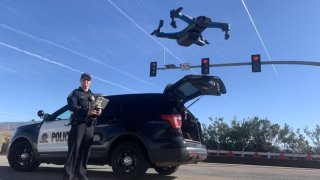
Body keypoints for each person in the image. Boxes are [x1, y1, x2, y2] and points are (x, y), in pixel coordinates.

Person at [63, 73, 102, 180]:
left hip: (90, 126)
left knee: (85, 151)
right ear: (80, 81)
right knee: (74, 151)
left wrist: (99, 111)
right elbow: (72, 106)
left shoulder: (93, 96)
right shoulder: (75, 93)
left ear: (90, 82)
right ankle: (68, 177)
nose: (86, 83)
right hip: (78, 125)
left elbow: (97, 107)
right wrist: (86, 111)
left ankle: (81, 175)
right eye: (84, 81)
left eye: (88, 81)